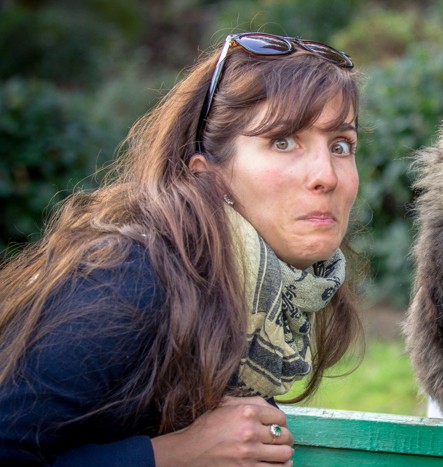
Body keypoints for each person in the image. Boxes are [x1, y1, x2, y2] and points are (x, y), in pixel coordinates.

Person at [0, 32, 364, 466]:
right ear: (207, 175)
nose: (327, 175)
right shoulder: (130, 279)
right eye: (283, 141)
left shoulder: (267, 298)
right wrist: (173, 454)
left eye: (341, 146)